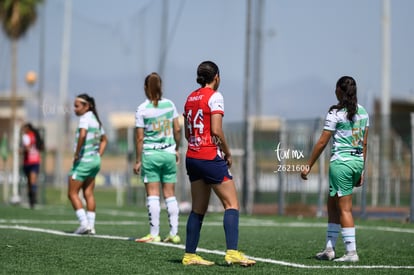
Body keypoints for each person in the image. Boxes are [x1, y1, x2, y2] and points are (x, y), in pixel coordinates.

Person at [181, 61, 256, 266]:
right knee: (231, 204)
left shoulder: (190, 98)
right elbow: (216, 130)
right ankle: (232, 252)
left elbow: (188, 133)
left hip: (192, 156)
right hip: (208, 156)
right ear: (217, 77)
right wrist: (227, 152)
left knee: (198, 208)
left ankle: (189, 255)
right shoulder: (215, 97)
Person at [301, 76, 369, 262]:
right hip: (356, 163)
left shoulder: (335, 113)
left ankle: (351, 252)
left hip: (342, 164)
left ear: (339, 90)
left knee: (344, 209)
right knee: (332, 204)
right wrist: (361, 170)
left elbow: (323, 141)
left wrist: (308, 165)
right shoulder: (363, 112)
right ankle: (329, 249)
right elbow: (364, 143)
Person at [133, 72, 181, 244]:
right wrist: (177, 149)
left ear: (146, 88)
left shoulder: (142, 109)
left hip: (151, 155)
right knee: (170, 194)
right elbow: (177, 129)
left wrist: (138, 160)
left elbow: (139, 138)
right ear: (160, 87)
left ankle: (154, 234)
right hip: (169, 153)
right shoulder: (170, 105)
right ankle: (174, 233)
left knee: (153, 195)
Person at [68, 93, 107, 235]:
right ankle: (91, 226)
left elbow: (83, 135)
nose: (74, 109)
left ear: (86, 106)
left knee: (72, 193)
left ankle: (84, 224)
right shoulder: (96, 120)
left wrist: (77, 153)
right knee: (88, 192)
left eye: (77, 106)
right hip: (95, 161)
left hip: (84, 161)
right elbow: (104, 140)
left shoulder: (85, 118)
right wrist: (98, 154)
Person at [21, 123, 43, 209]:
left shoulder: (28, 136)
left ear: (28, 128)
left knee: (32, 180)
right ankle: (31, 198)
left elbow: (27, 148)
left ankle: (33, 198)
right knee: (30, 182)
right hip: (30, 162)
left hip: (32, 161)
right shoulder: (32, 136)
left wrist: (24, 150)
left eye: (24, 128)